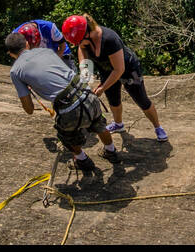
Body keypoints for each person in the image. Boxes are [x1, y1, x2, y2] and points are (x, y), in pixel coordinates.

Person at [6, 31, 117, 172]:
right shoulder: (46, 51)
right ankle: (111, 151)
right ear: (27, 44)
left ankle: (82, 160)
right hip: (87, 93)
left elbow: (29, 109)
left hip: (69, 109)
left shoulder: (15, 71)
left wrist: (30, 87)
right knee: (99, 123)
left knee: (66, 136)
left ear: (10, 53)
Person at [62, 15, 169, 142]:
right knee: (113, 100)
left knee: (142, 100)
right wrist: (85, 73)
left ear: (87, 34)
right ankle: (119, 124)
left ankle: (158, 127)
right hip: (106, 69)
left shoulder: (109, 39)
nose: (78, 44)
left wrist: (102, 87)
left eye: (79, 41)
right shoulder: (85, 40)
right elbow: (82, 50)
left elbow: (119, 70)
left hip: (128, 69)